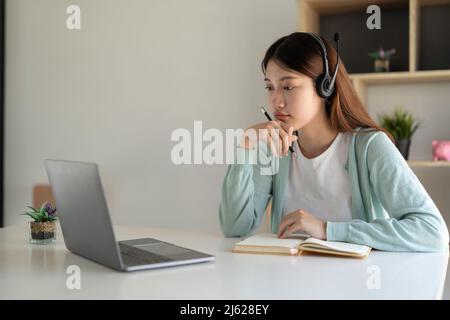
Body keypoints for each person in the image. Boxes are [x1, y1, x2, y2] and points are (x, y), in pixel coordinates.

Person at [219, 32, 449, 252]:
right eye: (270, 87)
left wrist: (327, 230)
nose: (276, 101)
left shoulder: (369, 146)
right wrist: (245, 147)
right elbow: (235, 228)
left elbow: (432, 231)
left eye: (288, 86)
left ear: (324, 87)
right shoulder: (273, 147)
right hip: (288, 284)